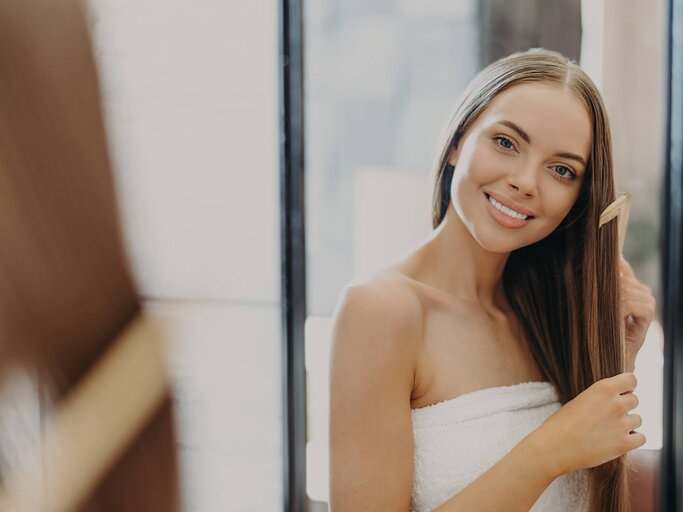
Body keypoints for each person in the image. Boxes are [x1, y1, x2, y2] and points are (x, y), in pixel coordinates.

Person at [328, 48, 657, 512]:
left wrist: (619, 356)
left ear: (577, 200)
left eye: (561, 170)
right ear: (460, 140)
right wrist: (547, 451)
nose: (525, 181)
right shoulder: (381, 311)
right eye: (506, 142)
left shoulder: (549, 313)